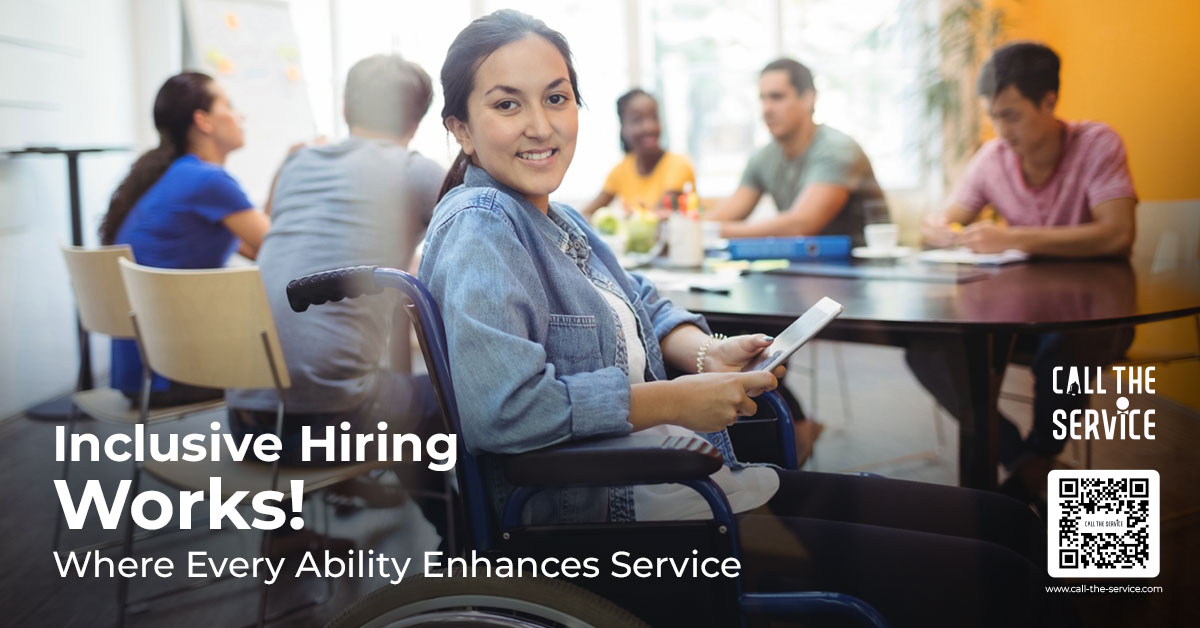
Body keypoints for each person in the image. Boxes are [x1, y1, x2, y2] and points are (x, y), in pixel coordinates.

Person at [419, 11, 1068, 627]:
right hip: (627, 525)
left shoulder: (556, 218)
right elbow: (502, 411)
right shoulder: (483, 225)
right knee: (1004, 570)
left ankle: (1035, 472)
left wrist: (703, 351)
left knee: (1010, 524)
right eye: (508, 104)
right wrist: (674, 400)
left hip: (694, 488)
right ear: (461, 128)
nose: (541, 125)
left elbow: (644, 300)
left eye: (557, 99)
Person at [910, 42, 1137, 507]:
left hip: (1096, 317)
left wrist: (1016, 238)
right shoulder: (993, 157)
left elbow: (1118, 235)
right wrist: (940, 231)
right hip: (1021, 315)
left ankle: (1024, 474)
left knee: (1063, 351)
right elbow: (944, 223)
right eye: (994, 116)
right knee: (927, 350)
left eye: (1011, 115)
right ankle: (1032, 467)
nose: (1000, 130)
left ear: (1049, 101)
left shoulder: (1097, 143)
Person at [226, 54, 445, 463]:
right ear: (416, 122)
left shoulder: (296, 163)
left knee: (365, 380)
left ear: (345, 109)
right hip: (330, 427)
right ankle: (453, 525)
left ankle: (291, 525)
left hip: (244, 424)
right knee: (451, 396)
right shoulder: (415, 171)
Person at [100, 71, 269, 407]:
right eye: (230, 106)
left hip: (140, 374)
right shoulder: (207, 181)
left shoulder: (175, 176)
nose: (241, 116)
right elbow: (281, 247)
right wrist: (292, 167)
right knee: (302, 364)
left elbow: (255, 247)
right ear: (203, 121)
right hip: (174, 373)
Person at [704, 58, 887, 247]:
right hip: (804, 268)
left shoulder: (838, 149)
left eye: (777, 97)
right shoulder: (763, 157)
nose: (766, 109)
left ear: (808, 98)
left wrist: (711, 231)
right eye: (762, 99)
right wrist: (690, 226)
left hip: (861, 268)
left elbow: (800, 225)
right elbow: (725, 215)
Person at [580, 89, 695, 216]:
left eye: (654, 117)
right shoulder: (621, 169)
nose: (649, 127)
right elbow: (586, 214)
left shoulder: (679, 165)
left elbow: (655, 218)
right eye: (637, 120)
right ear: (623, 127)